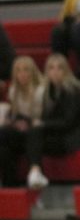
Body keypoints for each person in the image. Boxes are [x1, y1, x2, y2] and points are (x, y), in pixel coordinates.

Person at [31, 54, 80, 188]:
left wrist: (42, 124)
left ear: (66, 70)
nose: (55, 71)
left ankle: (35, 172)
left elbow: (68, 122)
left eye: (59, 68)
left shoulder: (73, 89)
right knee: (31, 138)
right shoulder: (48, 90)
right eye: (51, 68)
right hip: (62, 133)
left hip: (75, 136)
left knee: (34, 138)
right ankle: (35, 172)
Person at [0, 56, 45, 188]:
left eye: (26, 70)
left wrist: (25, 122)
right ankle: (10, 186)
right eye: (18, 71)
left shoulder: (41, 91)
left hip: (38, 131)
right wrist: (13, 122)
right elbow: (17, 115)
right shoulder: (13, 91)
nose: (22, 74)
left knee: (31, 131)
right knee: (2, 145)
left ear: (32, 72)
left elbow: (41, 118)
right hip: (21, 131)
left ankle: (35, 173)